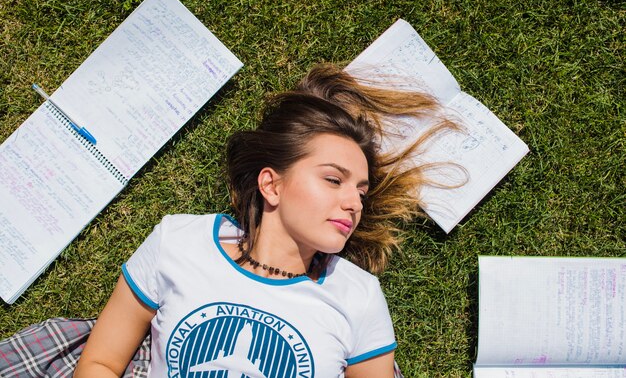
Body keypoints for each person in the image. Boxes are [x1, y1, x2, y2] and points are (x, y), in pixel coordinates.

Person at [73, 63, 455, 378]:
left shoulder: (358, 296)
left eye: (361, 191)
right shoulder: (179, 241)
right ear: (271, 185)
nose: (353, 202)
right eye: (333, 180)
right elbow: (101, 363)